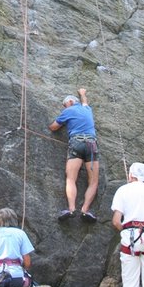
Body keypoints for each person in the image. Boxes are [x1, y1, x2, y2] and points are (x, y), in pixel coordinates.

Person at [49, 88, 99, 222]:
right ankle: (85, 210)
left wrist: (63, 120)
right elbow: (84, 102)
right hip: (91, 144)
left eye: (65, 105)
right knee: (93, 181)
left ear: (70, 102)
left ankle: (71, 209)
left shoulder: (68, 111)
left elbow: (53, 127)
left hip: (76, 142)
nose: (65, 108)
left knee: (71, 178)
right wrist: (82, 93)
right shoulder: (87, 109)